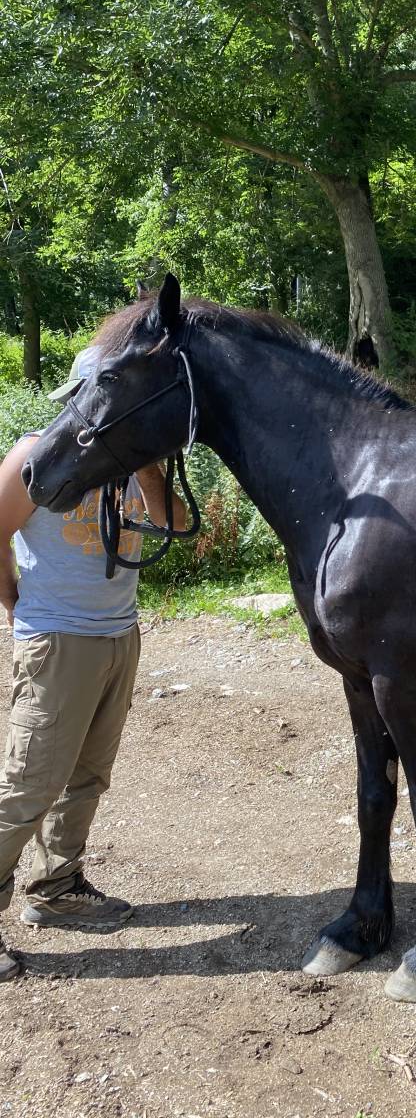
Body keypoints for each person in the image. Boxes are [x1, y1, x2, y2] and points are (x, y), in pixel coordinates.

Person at [0, 346, 186, 981]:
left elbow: (175, 524)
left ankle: (57, 888)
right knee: (27, 786)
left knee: (86, 776)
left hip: (117, 636)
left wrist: (153, 468)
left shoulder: (132, 463)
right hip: (59, 639)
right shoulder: (33, 455)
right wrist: (15, 604)